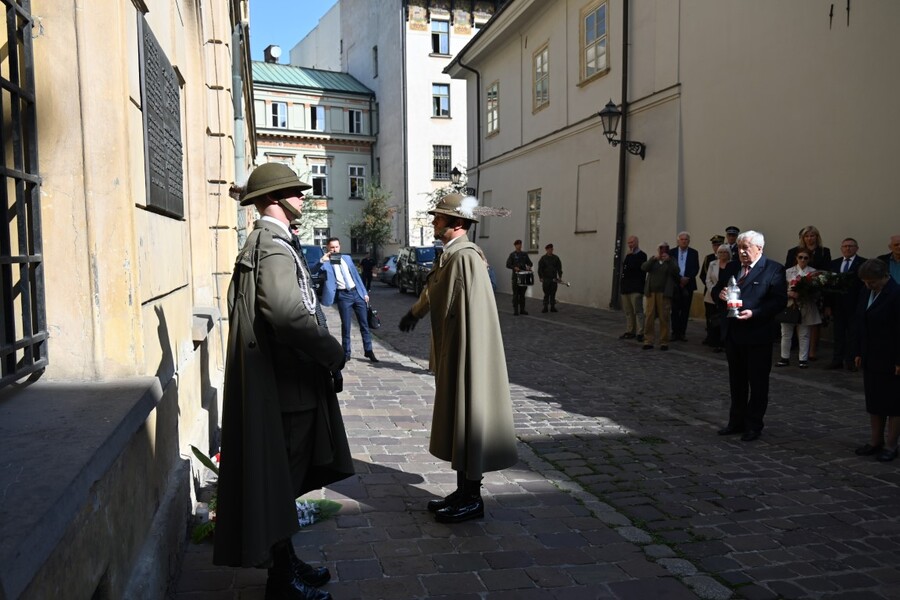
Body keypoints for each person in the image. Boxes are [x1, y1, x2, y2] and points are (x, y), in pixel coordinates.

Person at [214, 163, 353, 600]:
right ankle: (281, 581)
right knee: (279, 482)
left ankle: (287, 563)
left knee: (282, 482)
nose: (301, 196)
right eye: (294, 190)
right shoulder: (272, 246)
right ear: (273, 198)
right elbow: (288, 315)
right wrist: (332, 353)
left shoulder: (271, 241)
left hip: (287, 382)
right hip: (290, 387)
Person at [397, 193, 518, 523]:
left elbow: (473, 313)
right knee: (458, 421)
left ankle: (473, 498)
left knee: (470, 419)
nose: (434, 222)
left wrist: (469, 358)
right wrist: (415, 312)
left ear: (457, 223)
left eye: (439, 218)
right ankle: (463, 491)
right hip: (455, 349)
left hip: (468, 352)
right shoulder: (451, 255)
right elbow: (435, 291)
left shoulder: (465, 257)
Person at [712, 230, 787, 442]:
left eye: (746, 248)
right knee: (736, 382)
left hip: (757, 335)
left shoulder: (773, 269)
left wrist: (755, 312)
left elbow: (778, 301)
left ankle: (754, 424)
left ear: (759, 249)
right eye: (740, 248)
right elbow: (717, 288)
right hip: (733, 334)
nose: (742, 252)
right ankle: (736, 421)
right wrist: (719, 294)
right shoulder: (734, 267)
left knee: (758, 382)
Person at [851, 259, 900, 462]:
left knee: (894, 404)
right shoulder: (866, 292)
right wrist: (858, 351)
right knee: (874, 401)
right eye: (865, 282)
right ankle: (875, 441)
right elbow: (860, 322)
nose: (868, 285)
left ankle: (891, 444)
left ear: (884, 277)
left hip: (891, 357)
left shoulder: (896, 295)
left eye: (872, 282)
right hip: (871, 355)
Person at [313, 237, 379, 363]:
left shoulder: (346, 258)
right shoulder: (326, 262)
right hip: (343, 296)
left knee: (364, 324)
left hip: (357, 294)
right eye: (332, 247)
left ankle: (369, 351)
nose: (334, 249)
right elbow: (312, 271)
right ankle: (346, 352)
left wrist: (364, 292)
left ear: (340, 247)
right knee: (346, 326)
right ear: (327, 248)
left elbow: (356, 276)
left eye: (336, 247)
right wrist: (322, 261)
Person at [784, 226, 832, 361]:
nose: (810, 238)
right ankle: (796, 350)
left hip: (815, 291)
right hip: (794, 292)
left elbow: (826, 272)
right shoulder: (794, 251)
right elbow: (788, 270)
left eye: (812, 236)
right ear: (802, 238)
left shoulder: (823, 252)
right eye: (807, 236)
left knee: (814, 321)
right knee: (794, 319)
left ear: (817, 237)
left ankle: (812, 351)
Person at [775, 250, 822, 369]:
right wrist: (789, 293)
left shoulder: (813, 272)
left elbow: (817, 291)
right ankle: (784, 357)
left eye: (806, 258)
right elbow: (779, 289)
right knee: (786, 333)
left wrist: (805, 294)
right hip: (790, 305)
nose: (802, 260)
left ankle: (803, 359)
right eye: (800, 257)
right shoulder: (788, 272)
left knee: (804, 334)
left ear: (809, 259)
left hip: (805, 305)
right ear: (796, 258)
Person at [825, 238, 865, 370]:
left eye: (851, 246)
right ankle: (837, 360)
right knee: (838, 334)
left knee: (853, 334)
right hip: (838, 305)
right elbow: (828, 286)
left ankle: (852, 361)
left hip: (855, 305)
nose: (848, 249)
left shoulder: (863, 263)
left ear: (856, 248)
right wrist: (828, 305)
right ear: (841, 248)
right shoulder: (834, 263)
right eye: (845, 246)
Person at [641, 242, 680, 351]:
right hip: (651, 293)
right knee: (649, 317)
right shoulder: (653, 260)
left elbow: (676, 271)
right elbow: (644, 267)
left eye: (665, 248)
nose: (663, 250)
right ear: (658, 249)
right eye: (661, 248)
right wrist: (653, 259)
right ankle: (648, 340)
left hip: (664, 293)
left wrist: (669, 261)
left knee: (664, 318)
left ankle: (664, 342)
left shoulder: (671, 260)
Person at [670, 231, 700, 342]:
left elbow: (696, 267)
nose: (684, 241)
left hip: (688, 284)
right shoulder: (672, 252)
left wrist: (687, 278)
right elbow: (670, 268)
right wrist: (679, 279)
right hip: (675, 284)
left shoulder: (693, 252)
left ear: (689, 241)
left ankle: (682, 333)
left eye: (686, 239)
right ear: (678, 241)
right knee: (674, 309)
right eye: (682, 239)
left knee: (685, 310)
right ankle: (674, 332)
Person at [703, 245, 732, 352]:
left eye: (725, 252)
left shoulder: (732, 265)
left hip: (727, 296)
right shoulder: (712, 264)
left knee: (725, 321)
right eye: (720, 252)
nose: (723, 254)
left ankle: (724, 341)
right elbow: (708, 280)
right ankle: (714, 341)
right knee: (713, 320)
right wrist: (714, 291)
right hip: (711, 296)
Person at [619, 235, 647, 341]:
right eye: (629, 243)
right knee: (628, 311)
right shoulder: (628, 255)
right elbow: (625, 269)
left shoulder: (642, 255)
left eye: (632, 242)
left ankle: (640, 332)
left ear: (637, 242)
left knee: (638, 311)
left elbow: (635, 268)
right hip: (626, 287)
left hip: (636, 287)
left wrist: (630, 257)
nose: (631, 245)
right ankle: (630, 330)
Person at [701, 235, 725, 346]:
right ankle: (710, 337)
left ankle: (721, 338)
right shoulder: (709, 258)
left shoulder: (728, 258)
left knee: (720, 316)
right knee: (710, 316)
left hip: (723, 293)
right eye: (715, 245)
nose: (716, 247)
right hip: (710, 292)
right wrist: (711, 288)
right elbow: (703, 275)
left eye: (719, 244)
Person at [506, 239, 533, 315]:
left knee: (522, 295)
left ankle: (522, 309)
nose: (519, 246)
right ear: (515, 246)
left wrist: (528, 266)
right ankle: (516, 310)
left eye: (520, 244)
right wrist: (514, 267)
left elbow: (530, 263)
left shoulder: (524, 254)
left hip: (523, 277)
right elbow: (507, 264)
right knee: (516, 294)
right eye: (518, 244)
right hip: (516, 277)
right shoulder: (512, 255)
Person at [537, 243, 563, 313]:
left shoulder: (556, 258)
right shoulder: (543, 258)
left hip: (554, 278)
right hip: (546, 279)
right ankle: (545, 307)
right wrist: (541, 277)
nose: (550, 250)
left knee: (553, 293)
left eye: (551, 249)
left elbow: (559, 268)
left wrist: (560, 277)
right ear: (546, 250)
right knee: (546, 293)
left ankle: (552, 307)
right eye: (549, 249)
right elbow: (540, 269)